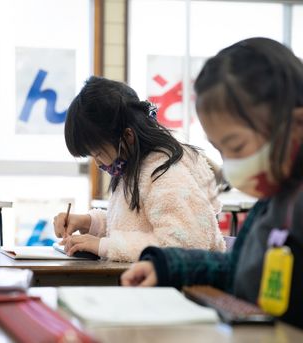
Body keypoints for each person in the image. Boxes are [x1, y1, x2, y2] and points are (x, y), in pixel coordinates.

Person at [121, 38, 303, 329]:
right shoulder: (275, 196)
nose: (230, 165)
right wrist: (167, 266)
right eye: (220, 149)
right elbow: (241, 269)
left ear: (296, 125)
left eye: (237, 146)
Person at [53, 76, 225, 262]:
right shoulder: (135, 167)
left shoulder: (165, 171)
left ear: (127, 137)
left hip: (183, 288)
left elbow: (182, 243)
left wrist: (103, 245)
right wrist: (88, 222)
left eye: (98, 153)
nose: (98, 163)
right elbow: (134, 225)